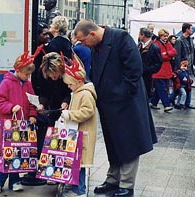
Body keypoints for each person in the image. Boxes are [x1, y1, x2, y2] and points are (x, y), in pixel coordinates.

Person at [74, 19, 157, 197]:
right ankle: (113, 179)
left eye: (83, 40)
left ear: (93, 34)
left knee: (129, 145)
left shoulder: (121, 38)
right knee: (114, 143)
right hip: (109, 104)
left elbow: (134, 70)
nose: (83, 44)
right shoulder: (96, 46)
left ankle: (126, 185)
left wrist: (120, 95)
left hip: (126, 104)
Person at [22, 16, 72, 186]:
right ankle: (47, 170)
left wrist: (65, 101)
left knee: (60, 135)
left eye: (54, 76)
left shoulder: (66, 75)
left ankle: (56, 172)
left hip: (64, 106)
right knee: (47, 133)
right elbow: (44, 91)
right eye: (49, 75)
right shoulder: (43, 74)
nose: (52, 77)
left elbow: (70, 91)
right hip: (52, 105)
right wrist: (42, 103)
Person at [49, 52, 96, 197]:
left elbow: (88, 111)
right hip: (76, 133)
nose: (68, 87)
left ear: (78, 81)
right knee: (75, 162)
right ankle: (75, 187)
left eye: (70, 84)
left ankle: (80, 190)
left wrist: (70, 114)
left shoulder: (85, 94)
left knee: (80, 164)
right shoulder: (77, 92)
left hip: (82, 133)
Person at [0, 51, 38, 193]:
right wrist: (11, 108)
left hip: (22, 124)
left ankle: (15, 180)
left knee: (18, 151)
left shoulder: (28, 84)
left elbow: (31, 101)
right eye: (26, 74)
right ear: (18, 71)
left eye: (29, 75)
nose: (28, 77)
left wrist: (33, 114)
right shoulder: (6, 83)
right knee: (6, 152)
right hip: (7, 124)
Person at [150, 29, 176, 112]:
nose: (166, 38)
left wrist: (167, 54)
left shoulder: (167, 44)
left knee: (159, 88)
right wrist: (169, 54)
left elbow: (174, 52)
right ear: (160, 36)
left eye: (167, 36)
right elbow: (160, 57)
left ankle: (153, 103)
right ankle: (166, 105)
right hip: (159, 70)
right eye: (164, 36)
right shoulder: (156, 44)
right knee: (162, 87)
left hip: (165, 69)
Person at [174, 23, 195, 109]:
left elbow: (193, 53)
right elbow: (177, 55)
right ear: (187, 29)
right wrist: (179, 67)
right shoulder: (179, 40)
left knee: (188, 85)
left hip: (189, 66)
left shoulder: (190, 39)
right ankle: (175, 101)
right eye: (191, 29)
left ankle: (187, 102)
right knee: (180, 85)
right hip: (183, 67)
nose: (192, 30)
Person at [138, 27, 162, 101]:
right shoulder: (139, 45)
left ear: (143, 35)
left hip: (147, 77)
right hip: (138, 76)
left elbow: (158, 63)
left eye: (139, 34)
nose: (138, 36)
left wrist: (147, 70)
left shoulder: (155, 48)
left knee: (145, 97)